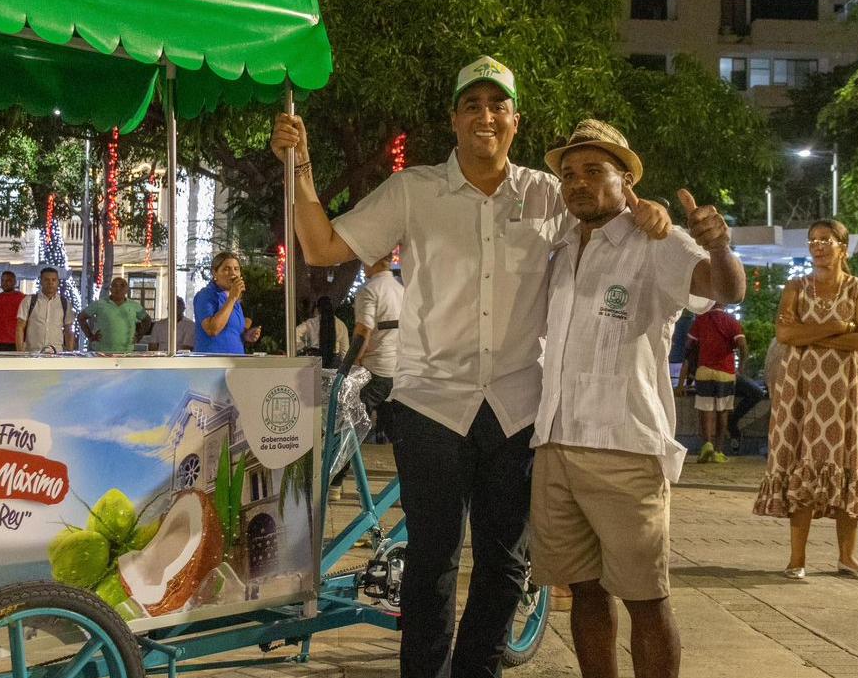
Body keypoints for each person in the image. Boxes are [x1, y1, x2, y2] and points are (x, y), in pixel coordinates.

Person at [270, 57, 673, 678]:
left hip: (517, 407)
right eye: (472, 105)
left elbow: (609, 211)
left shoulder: (548, 194)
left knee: (505, 563)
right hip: (430, 404)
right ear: (454, 119)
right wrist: (301, 168)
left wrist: (650, 211)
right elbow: (321, 246)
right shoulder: (413, 191)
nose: (486, 116)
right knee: (431, 560)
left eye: (497, 105)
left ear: (515, 120)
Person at [531, 120, 743, 678]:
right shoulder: (560, 248)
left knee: (646, 598)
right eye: (569, 174)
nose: (578, 183)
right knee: (584, 591)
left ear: (626, 180)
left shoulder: (657, 243)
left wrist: (719, 245)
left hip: (624, 447)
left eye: (593, 170)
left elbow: (724, 288)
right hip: (555, 441)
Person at [754, 219, 858, 580]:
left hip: (848, 388)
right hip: (803, 388)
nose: (818, 246)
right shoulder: (796, 287)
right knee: (804, 460)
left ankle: (847, 557)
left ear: (842, 247)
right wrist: (838, 327)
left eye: (826, 240)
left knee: (849, 463)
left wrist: (810, 336)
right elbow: (784, 333)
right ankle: (796, 559)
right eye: (813, 240)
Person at [686, 305, 746, 463]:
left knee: (705, 409)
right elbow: (742, 345)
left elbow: (689, 345)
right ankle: (718, 451)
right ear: (724, 305)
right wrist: (740, 368)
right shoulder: (732, 321)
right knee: (723, 411)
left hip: (704, 370)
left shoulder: (700, 320)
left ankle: (707, 444)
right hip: (725, 372)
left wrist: (692, 367)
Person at [353, 256, 404, 440]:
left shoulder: (369, 290)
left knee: (354, 417)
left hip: (376, 368)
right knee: (393, 426)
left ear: (372, 260)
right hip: (398, 369)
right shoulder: (401, 290)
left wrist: (355, 360)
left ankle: (350, 454)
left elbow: (363, 330)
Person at [193, 252, 262, 354]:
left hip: (235, 360)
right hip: (213, 360)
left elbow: (231, 332)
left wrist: (246, 336)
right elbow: (212, 330)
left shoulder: (234, 298)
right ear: (214, 273)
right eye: (226, 269)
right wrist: (232, 298)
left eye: (236, 269)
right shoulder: (206, 295)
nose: (233, 273)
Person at [81, 276, 151, 354]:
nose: (118, 289)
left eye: (122, 286)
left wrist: (139, 336)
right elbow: (81, 317)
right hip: (102, 352)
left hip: (126, 352)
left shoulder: (134, 305)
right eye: (115, 286)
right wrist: (90, 336)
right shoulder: (100, 304)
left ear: (126, 290)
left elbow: (147, 320)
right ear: (110, 289)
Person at [18, 268, 75, 353]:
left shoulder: (65, 303)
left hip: (56, 354)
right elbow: (20, 327)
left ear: (58, 282)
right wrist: (20, 353)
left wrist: (70, 353)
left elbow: (68, 330)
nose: (50, 283)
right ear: (41, 281)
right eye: (46, 280)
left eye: (54, 280)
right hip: (32, 353)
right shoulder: (29, 301)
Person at [294, 296, 348, 367]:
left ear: (318, 309)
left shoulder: (311, 323)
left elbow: (295, 333)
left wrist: (302, 347)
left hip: (314, 359)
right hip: (334, 361)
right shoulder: (341, 325)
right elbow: (344, 350)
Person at [0, 271, 26, 352]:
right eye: (3, 280)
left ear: (15, 282)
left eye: (8, 280)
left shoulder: (22, 298)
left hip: (15, 341)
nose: (5, 283)